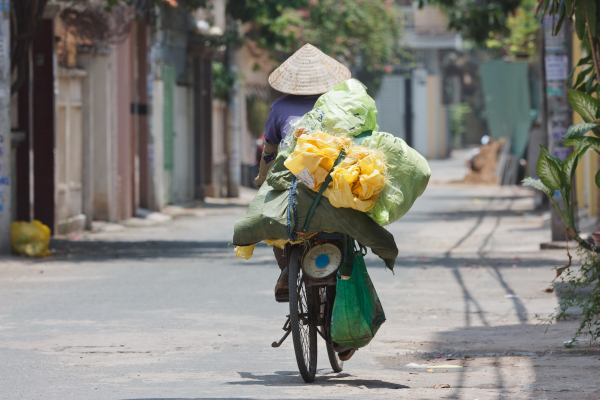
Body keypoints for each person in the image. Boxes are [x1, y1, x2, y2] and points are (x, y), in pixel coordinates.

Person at [253, 43, 351, 302]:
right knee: (348, 222)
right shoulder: (343, 103)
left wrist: (262, 179)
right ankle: (346, 273)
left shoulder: (280, 106)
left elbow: (270, 150)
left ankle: (286, 268)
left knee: (274, 218)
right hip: (334, 178)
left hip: (293, 177)